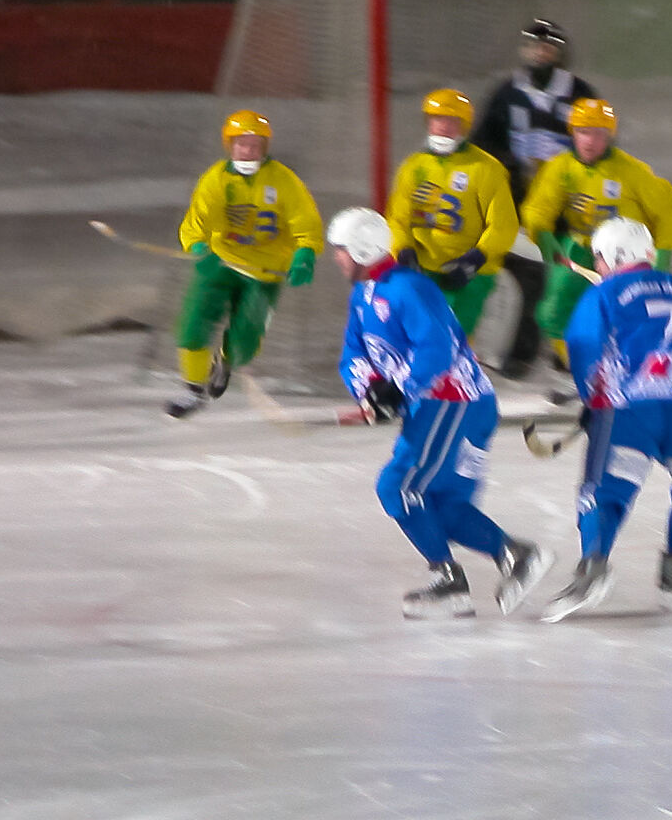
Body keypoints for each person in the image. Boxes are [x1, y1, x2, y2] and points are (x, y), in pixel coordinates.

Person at [324, 206, 552, 619]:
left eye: (340, 249)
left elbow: (437, 349)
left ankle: (449, 582)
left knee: (397, 488)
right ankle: (516, 556)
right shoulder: (365, 294)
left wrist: (399, 390)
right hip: (454, 407)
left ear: (361, 249)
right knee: (441, 506)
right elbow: (353, 353)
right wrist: (371, 391)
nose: (336, 257)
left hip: (453, 403)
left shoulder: (408, 289)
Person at [540, 218, 672, 622]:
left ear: (614, 256)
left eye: (599, 257)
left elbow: (583, 348)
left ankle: (593, 567)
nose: (597, 265)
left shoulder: (602, 296)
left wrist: (593, 399)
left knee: (605, 494)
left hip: (629, 412)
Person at [166, 109, 322, 418]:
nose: (248, 151)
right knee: (193, 324)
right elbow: (196, 222)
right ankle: (194, 390)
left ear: (264, 147)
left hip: (264, 272)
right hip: (221, 263)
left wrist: (305, 254)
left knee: (246, 341)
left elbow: (305, 221)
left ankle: (226, 360)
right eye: (241, 143)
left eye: (254, 144)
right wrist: (198, 249)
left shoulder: (283, 180)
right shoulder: (216, 179)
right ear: (230, 145)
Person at [469, 19, 603, 377]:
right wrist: (507, 166)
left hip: (568, 206)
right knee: (522, 275)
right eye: (533, 46)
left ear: (560, 53)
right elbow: (483, 143)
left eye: (548, 48)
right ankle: (516, 353)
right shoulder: (508, 93)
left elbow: (600, 143)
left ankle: (571, 349)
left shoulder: (579, 94)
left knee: (572, 277)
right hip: (518, 204)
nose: (540, 54)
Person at [519, 97, 672, 373]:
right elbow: (538, 206)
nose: (590, 141)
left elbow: (670, 209)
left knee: (627, 312)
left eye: (599, 133)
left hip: (625, 255)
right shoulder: (561, 168)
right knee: (554, 311)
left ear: (609, 136)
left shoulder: (631, 171)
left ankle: (638, 367)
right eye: (583, 132)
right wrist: (542, 233)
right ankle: (585, 371)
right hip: (581, 246)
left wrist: (663, 253)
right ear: (572, 133)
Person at [385, 88, 518, 339]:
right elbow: (397, 219)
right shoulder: (414, 166)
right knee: (415, 334)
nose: (444, 126)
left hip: (471, 273)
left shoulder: (486, 168)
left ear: (464, 125)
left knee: (452, 338)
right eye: (438, 119)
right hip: (424, 268)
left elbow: (503, 225)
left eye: (452, 120)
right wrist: (403, 250)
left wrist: (475, 259)